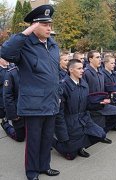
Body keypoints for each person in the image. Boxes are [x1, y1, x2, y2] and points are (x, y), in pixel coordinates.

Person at [1, 5, 60, 180]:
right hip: (34, 103)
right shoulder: (24, 44)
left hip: (51, 100)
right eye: (44, 24)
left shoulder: (53, 45)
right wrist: (25, 33)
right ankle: (32, 172)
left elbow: (55, 74)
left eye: (50, 23)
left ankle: (44, 166)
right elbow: (5, 52)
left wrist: (58, 95)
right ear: (34, 26)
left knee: (47, 138)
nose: (49, 27)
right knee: (33, 141)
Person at [53, 59, 106, 160]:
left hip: (84, 119)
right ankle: (52, 141)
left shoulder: (84, 84)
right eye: (79, 68)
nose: (82, 70)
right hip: (70, 122)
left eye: (82, 68)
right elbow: (59, 113)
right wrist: (62, 135)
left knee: (101, 134)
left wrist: (99, 104)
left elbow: (87, 105)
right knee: (71, 156)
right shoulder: (63, 86)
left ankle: (79, 146)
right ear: (71, 70)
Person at [83, 50, 116, 133]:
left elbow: (103, 89)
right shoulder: (86, 73)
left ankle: (106, 129)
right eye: (97, 57)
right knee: (99, 131)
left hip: (103, 103)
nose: (100, 59)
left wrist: (110, 94)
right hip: (93, 105)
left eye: (100, 57)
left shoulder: (100, 72)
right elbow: (84, 93)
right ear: (90, 59)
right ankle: (102, 132)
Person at [2, 65, 25, 142]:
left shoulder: (32, 71)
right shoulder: (11, 73)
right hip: (18, 111)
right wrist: (13, 115)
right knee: (20, 138)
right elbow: (7, 96)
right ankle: (5, 124)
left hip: (29, 111)